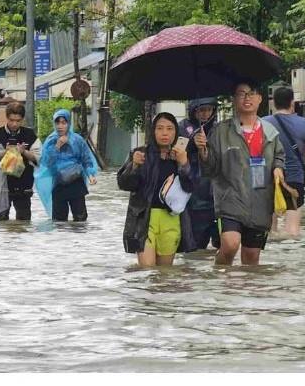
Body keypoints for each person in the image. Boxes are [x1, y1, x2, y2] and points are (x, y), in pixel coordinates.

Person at [195, 81, 285, 266]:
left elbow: (279, 156)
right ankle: (219, 275)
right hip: (230, 200)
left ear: (260, 99)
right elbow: (210, 169)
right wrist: (203, 151)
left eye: (252, 93)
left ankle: (244, 293)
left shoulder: (271, 132)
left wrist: (278, 169)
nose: (247, 98)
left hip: (261, 201)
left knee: (252, 258)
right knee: (230, 244)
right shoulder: (220, 132)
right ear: (234, 99)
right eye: (241, 94)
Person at [118, 112, 197, 267]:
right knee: (147, 269)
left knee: (164, 275)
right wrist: (134, 166)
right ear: (153, 131)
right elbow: (124, 184)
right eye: (160, 128)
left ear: (176, 132)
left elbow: (191, 187)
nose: (165, 133)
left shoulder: (180, 155)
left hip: (171, 219)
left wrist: (184, 164)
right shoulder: (140, 153)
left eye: (170, 128)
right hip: (145, 219)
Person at [263, 85, 305, 238]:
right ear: (292, 102)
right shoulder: (304, 123)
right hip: (294, 179)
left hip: (269, 178)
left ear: (273, 103)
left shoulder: (263, 123)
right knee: (292, 230)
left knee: (268, 230)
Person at [34, 109, 98, 222]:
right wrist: (57, 146)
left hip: (76, 183)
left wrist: (91, 175)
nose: (60, 126)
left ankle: (79, 240)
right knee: (59, 222)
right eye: (57, 123)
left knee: (80, 220)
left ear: (69, 123)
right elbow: (46, 163)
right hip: (59, 184)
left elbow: (86, 159)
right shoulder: (50, 141)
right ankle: (61, 240)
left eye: (64, 122)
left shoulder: (77, 140)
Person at [0, 101, 41, 221]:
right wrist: (4, 152)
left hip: (23, 186)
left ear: (22, 120)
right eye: (11, 120)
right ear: (7, 118)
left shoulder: (29, 135)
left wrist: (24, 152)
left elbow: (39, 157)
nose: (14, 124)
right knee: (0, 222)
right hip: (1, 187)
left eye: (18, 121)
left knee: (24, 222)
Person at [178, 97, 220, 250]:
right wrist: (192, 144)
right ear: (193, 110)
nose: (205, 114)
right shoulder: (183, 127)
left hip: (216, 195)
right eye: (201, 110)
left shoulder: (217, 129)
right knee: (195, 246)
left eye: (209, 110)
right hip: (193, 195)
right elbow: (177, 152)